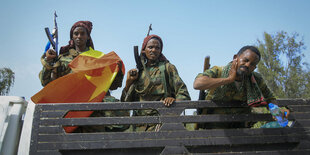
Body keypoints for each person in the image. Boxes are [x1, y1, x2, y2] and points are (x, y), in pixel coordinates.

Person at [39, 21, 129, 132]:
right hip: (70, 108)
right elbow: (46, 82)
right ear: (72, 36)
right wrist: (49, 61)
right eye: (76, 33)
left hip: (94, 110)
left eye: (82, 33)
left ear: (88, 37)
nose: (79, 36)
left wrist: (118, 71)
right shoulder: (62, 58)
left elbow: (113, 86)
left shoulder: (99, 58)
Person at [193, 45, 289, 129]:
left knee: (283, 126)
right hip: (215, 126)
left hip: (241, 126)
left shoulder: (255, 80)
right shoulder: (218, 71)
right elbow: (198, 84)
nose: (247, 65)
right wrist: (228, 79)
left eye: (252, 64)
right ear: (236, 58)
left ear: (254, 68)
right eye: (246, 60)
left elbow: (269, 98)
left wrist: (277, 113)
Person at [121, 34, 191, 131]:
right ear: (144, 50)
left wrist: (173, 102)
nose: (153, 50)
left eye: (157, 48)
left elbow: (184, 94)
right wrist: (128, 83)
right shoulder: (139, 72)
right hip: (139, 126)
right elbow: (125, 103)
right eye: (150, 47)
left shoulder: (167, 68)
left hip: (161, 125)